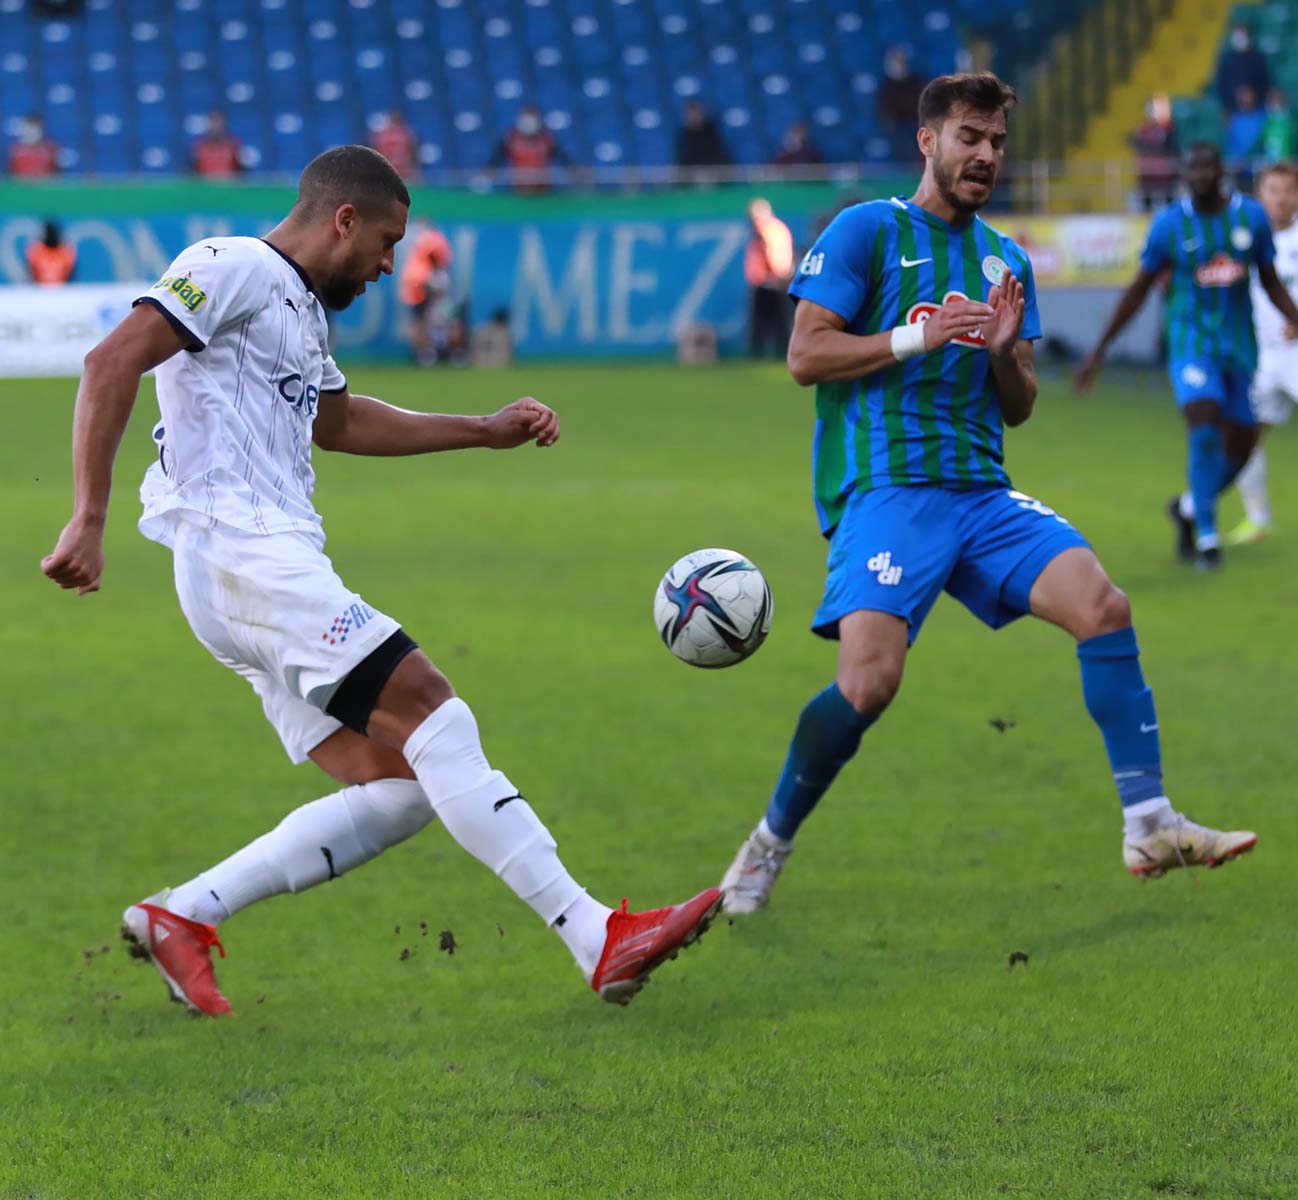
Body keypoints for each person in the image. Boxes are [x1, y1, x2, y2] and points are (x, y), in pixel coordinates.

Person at [40, 145, 721, 1016]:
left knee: (400, 786)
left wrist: (482, 429)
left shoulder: (299, 312)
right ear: (344, 218)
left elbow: (342, 421)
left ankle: (183, 913)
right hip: (242, 555)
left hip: (249, 572)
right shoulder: (234, 263)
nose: (390, 264)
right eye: (387, 241)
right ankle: (598, 935)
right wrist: (88, 518)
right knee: (436, 708)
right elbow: (111, 360)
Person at [718, 74, 1257, 918]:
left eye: (998, 143)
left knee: (1104, 606)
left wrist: (1006, 352)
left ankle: (1149, 820)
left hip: (983, 495)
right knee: (868, 687)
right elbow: (806, 355)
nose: (986, 156)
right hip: (889, 491)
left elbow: (1022, 403)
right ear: (928, 141)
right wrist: (917, 335)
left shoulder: (1005, 259)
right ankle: (769, 841)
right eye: (970, 137)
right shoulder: (867, 230)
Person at [1075, 143, 1298, 569]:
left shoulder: (1250, 219)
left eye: (1207, 168)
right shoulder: (1169, 226)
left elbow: (1269, 281)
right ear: (1184, 174)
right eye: (1191, 168)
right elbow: (1139, 289)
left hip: (1240, 348)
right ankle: (1209, 539)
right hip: (1191, 346)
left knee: (1243, 445)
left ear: (1221, 172)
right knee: (1204, 424)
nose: (1199, 176)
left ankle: (1189, 507)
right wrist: (1098, 350)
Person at [1228, 161, 1298, 545]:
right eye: (1273, 190)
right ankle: (1258, 518)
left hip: (1296, 350)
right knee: (1243, 435)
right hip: (1260, 356)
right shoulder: (1245, 239)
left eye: (1288, 190)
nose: (1281, 198)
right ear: (1261, 195)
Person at [744, 197, 794, 358]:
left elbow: (767, 251)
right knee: (780, 320)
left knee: (762, 321)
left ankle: (758, 353)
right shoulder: (779, 227)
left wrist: (771, 272)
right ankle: (784, 352)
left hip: (767, 280)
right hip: (777, 279)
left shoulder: (762, 228)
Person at [399, 221, 454, 365]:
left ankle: (426, 352)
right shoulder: (433, 238)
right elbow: (440, 259)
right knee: (428, 319)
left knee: (422, 320)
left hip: (416, 283)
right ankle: (428, 353)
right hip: (425, 282)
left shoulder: (420, 239)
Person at [488, 106, 570, 191]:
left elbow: (563, 159)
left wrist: (572, 172)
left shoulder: (547, 139)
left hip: (542, 187)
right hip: (517, 188)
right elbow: (495, 160)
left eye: (531, 120)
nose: (528, 124)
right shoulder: (510, 138)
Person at [1130, 94, 1177, 211]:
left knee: (1168, 201)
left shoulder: (1169, 129)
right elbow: (1138, 147)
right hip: (1147, 172)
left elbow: (1172, 149)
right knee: (1146, 202)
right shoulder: (1143, 130)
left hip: (1165, 173)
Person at [1216, 25, 1268, 115]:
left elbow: (1264, 83)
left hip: (1256, 109)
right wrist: (1232, 101)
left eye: (1242, 35)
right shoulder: (1226, 60)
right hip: (1233, 109)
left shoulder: (1257, 58)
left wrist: (1253, 96)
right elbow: (1221, 85)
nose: (1240, 39)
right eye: (1237, 36)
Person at [675, 100, 730, 170]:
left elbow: (720, 156)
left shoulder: (711, 130)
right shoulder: (683, 135)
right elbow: (682, 161)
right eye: (690, 114)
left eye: (696, 113)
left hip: (713, 171)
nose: (694, 116)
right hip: (692, 174)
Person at [192, 111, 243, 178]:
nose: (216, 126)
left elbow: (241, 174)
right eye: (213, 121)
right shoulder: (198, 146)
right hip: (205, 186)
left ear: (224, 124)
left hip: (228, 186)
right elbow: (193, 173)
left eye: (218, 121)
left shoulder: (234, 145)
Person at [1225, 85, 1266, 167]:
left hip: (1259, 163)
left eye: (1248, 94)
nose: (1245, 97)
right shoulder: (1233, 119)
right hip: (1236, 165)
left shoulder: (1264, 117)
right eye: (1242, 94)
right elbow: (1230, 147)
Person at [371, 110, 420, 180]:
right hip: (407, 170)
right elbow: (414, 152)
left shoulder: (380, 137)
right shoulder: (407, 134)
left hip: (389, 170)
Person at [26, 220, 76, 285]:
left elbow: (71, 275)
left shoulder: (66, 252)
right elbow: (31, 273)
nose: (51, 236)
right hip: (39, 291)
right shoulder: (36, 250)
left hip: (62, 291)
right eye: (49, 233)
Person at [1262, 88, 1294, 162]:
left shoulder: (1292, 122)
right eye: (1273, 102)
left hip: (1289, 163)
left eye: (1279, 101)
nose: (1276, 105)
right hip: (1271, 163)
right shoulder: (1266, 123)